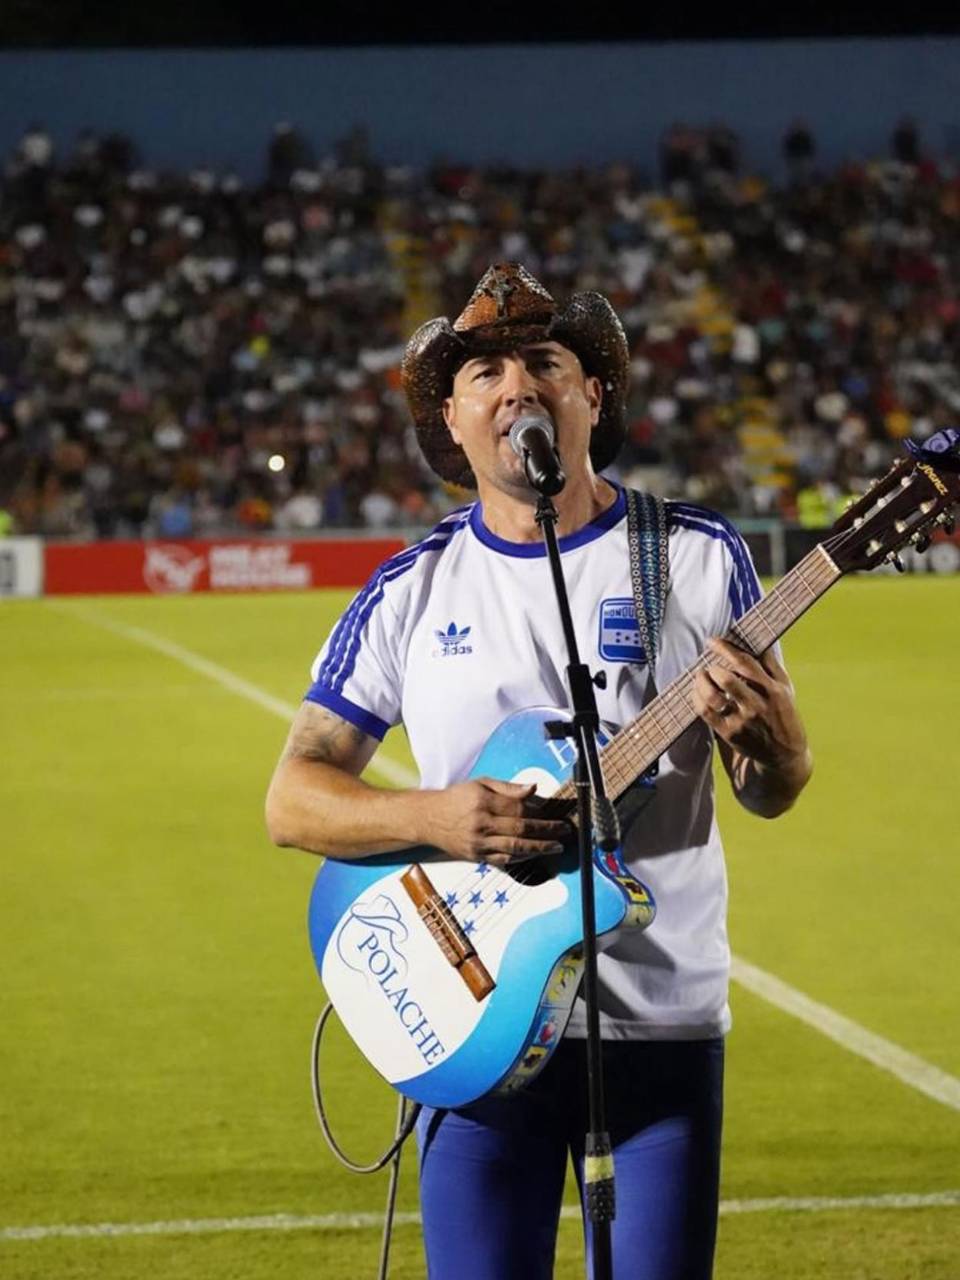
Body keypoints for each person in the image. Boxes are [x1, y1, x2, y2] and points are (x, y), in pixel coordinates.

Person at [266, 263, 812, 1280]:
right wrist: (442, 816)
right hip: (474, 1021)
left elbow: (767, 786)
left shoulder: (693, 557)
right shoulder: (411, 588)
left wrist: (785, 747)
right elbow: (292, 798)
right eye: (484, 372)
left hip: (660, 1024)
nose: (515, 383)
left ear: (592, 396)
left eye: (543, 361)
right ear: (453, 421)